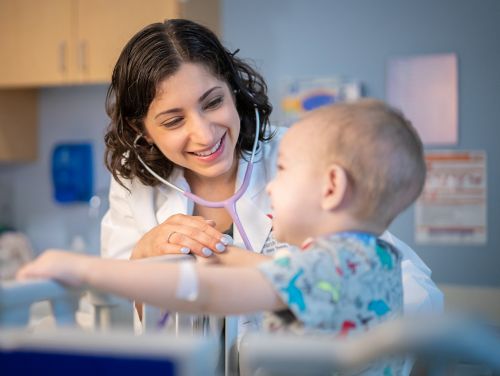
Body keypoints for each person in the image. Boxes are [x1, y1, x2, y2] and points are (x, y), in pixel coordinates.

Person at [18, 99, 425, 374]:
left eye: (282, 171)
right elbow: (275, 268)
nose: (270, 185)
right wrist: (213, 251)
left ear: (331, 187)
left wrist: (86, 269)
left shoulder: (328, 266)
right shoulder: (372, 258)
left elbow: (205, 291)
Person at [99, 19, 442, 315]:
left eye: (214, 102)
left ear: (234, 91)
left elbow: (411, 289)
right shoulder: (135, 181)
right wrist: (142, 255)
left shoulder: (298, 155)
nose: (204, 135)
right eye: (174, 121)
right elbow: (107, 313)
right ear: (140, 129)